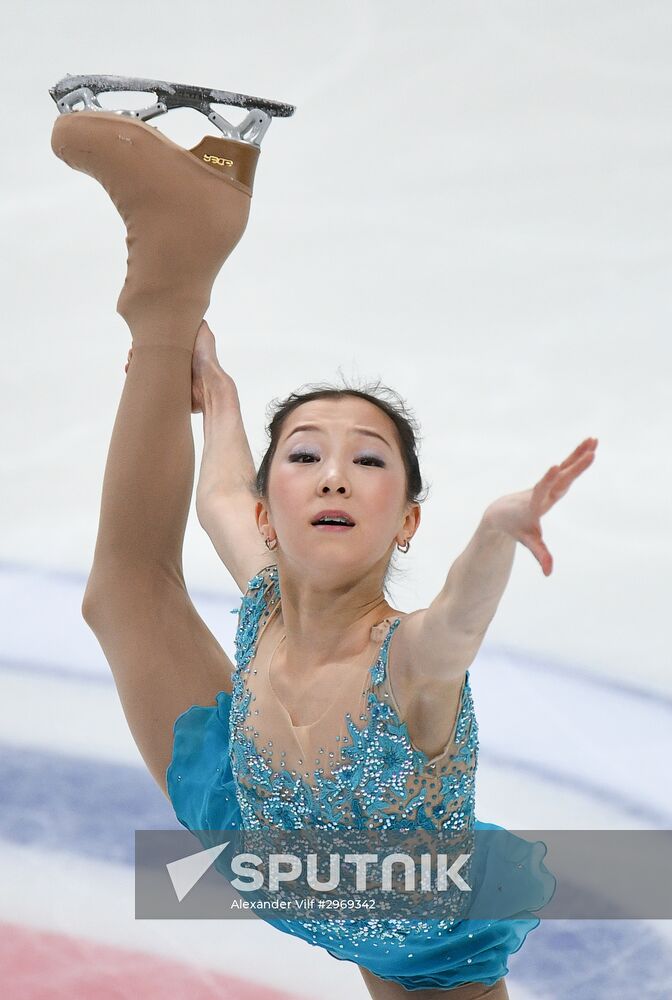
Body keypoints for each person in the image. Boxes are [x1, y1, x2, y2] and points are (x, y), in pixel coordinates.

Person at [52, 99, 592, 998]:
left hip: (414, 926)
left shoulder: (411, 662)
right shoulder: (264, 585)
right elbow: (221, 490)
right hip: (260, 836)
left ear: (407, 519)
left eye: (367, 460)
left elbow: (460, 615)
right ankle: (173, 279)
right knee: (124, 592)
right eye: (306, 457)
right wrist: (207, 382)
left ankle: (180, 267)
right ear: (273, 512)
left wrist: (497, 531)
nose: (334, 475)